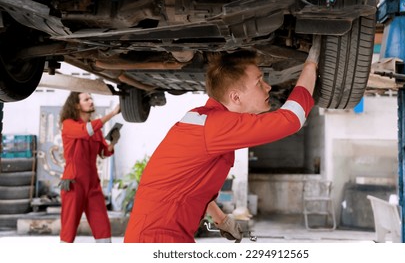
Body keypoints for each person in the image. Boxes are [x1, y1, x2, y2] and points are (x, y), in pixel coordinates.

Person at [123, 36, 322, 243]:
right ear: (235, 97)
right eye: (259, 82)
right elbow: (291, 120)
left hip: (157, 233)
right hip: (157, 237)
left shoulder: (210, 121)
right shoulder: (217, 126)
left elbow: (190, 185)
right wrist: (310, 64)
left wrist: (221, 220)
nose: (268, 87)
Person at [58, 92, 121, 243]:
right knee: (69, 230)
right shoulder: (69, 125)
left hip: (92, 184)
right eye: (86, 99)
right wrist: (113, 113)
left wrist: (113, 143)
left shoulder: (96, 130)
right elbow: (86, 131)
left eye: (91, 98)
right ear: (76, 105)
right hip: (73, 183)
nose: (91, 101)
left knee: (103, 228)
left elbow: (104, 152)